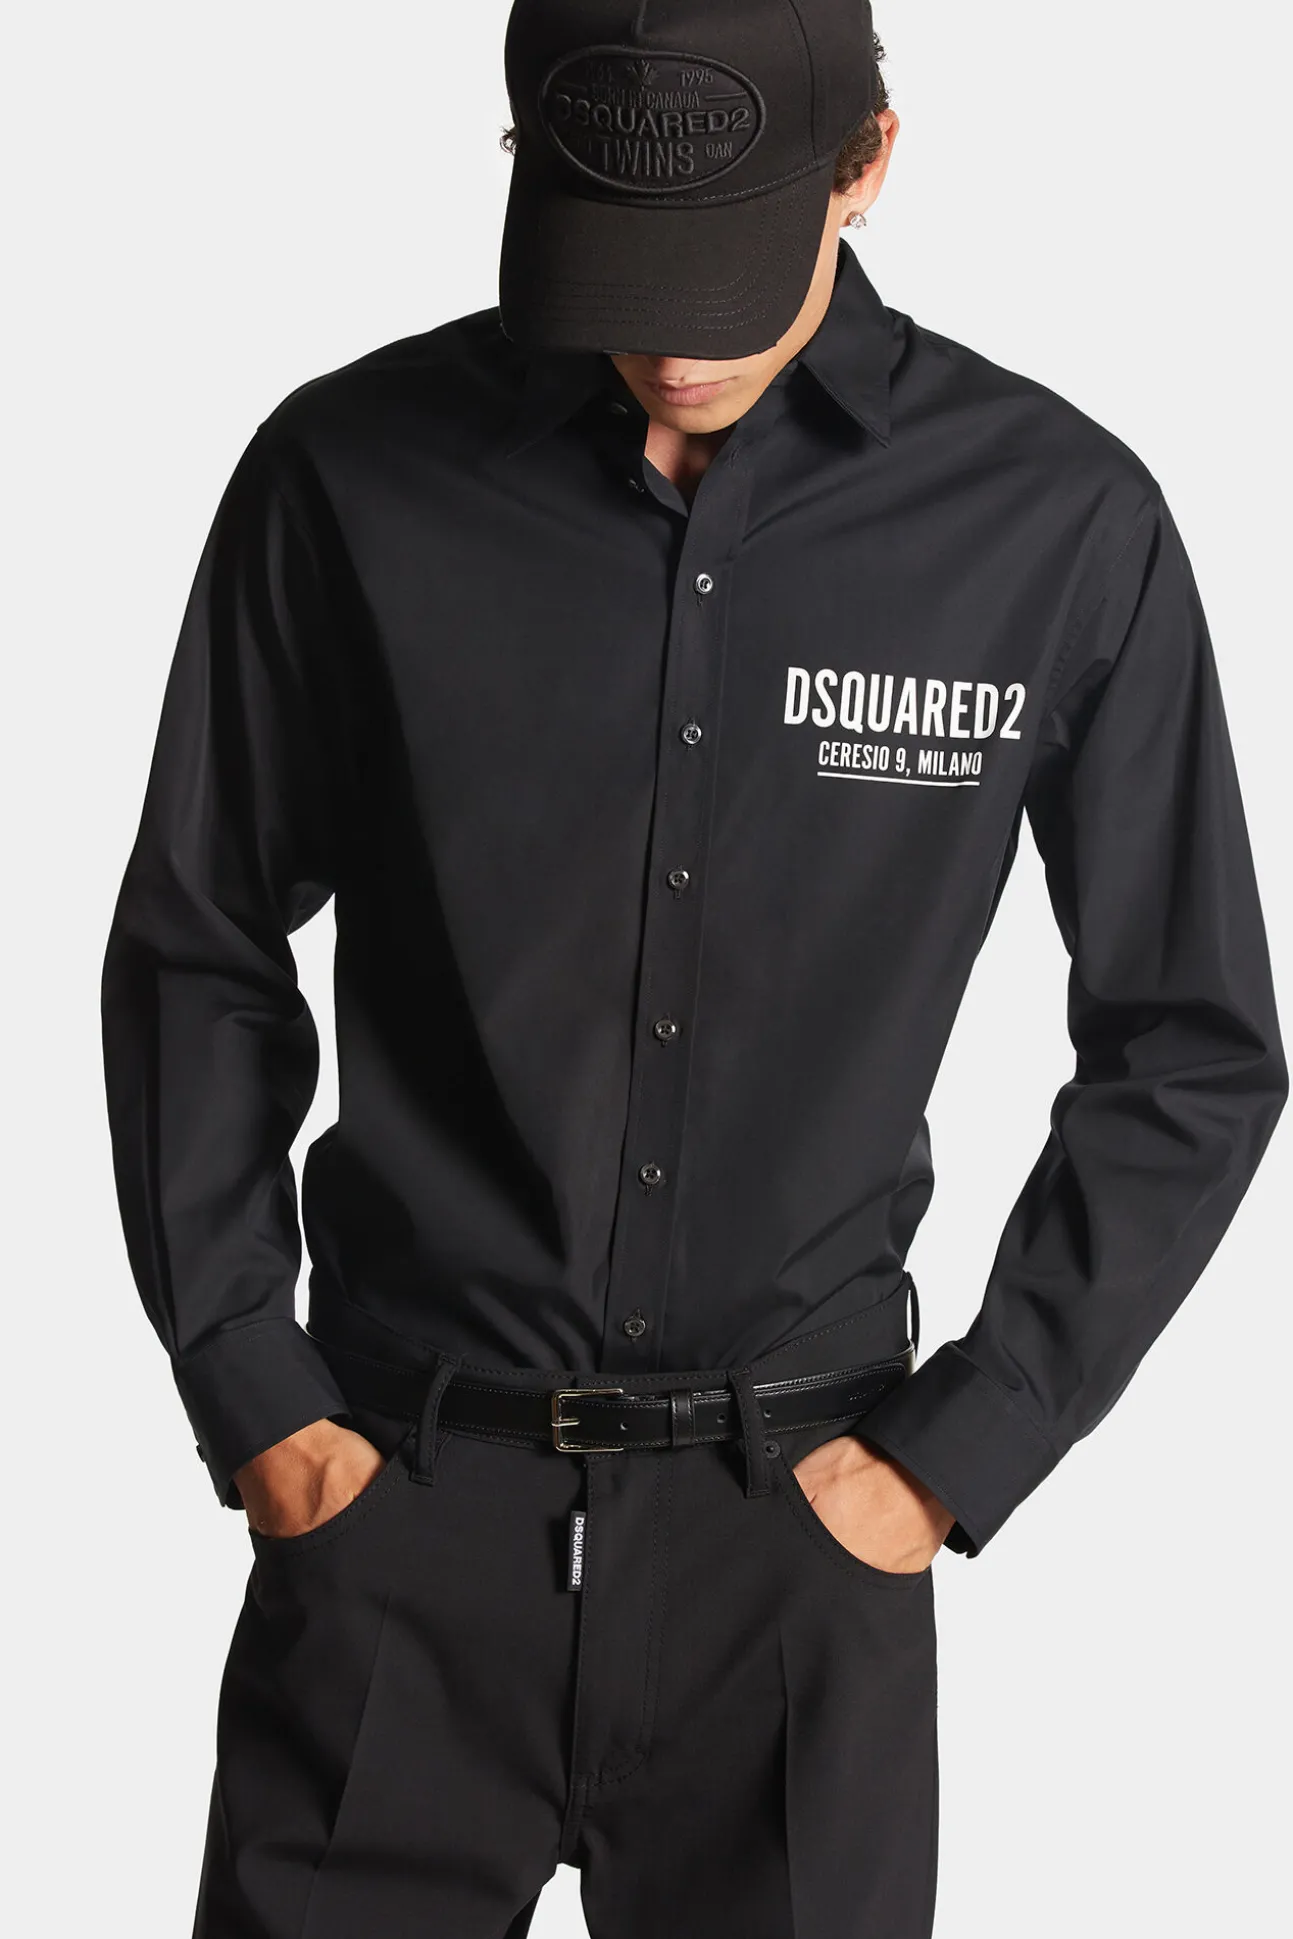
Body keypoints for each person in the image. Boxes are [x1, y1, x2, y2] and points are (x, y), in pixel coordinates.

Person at [100, 3, 1285, 1935]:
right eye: (617, 268)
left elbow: (1192, 1042)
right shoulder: (347, 475)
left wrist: (958, 1450)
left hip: (798, 1552)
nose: (670, 342)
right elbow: (198, 937)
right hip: (400, 1516)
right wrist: (255, 1391)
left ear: (866, 162)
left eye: (720, 267)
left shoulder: (1061, 526)